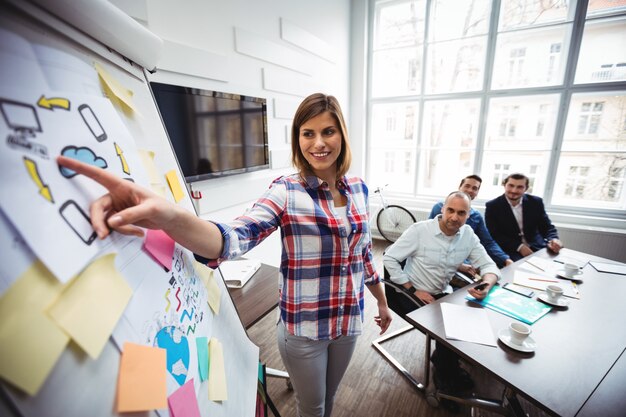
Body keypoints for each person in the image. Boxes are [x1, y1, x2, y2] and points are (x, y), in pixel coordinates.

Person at [57, 93, 392, 417]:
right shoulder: (286, 190)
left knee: (329, 397)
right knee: (312, 408)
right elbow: (234, 236)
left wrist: (381, 301)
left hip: (348, 321)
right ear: (298, 139)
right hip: (305, 330)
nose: (318, 142)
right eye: (308, 133)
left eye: (328, 131)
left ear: (342, 135)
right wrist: (170, 216)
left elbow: (361, 256)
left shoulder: (358, 188)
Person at [383, 191, 500, 411]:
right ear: (443, 209)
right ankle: (446, 383)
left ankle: (446, 363)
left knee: (469, 318)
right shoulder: (420, 231)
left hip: (443, 292)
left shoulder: (468, 235)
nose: (455, 217)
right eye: (451, 210)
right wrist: (411, 288)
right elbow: (389, 257)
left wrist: (487, 284)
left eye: (461, 213)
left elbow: (489, 266)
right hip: (412, 293)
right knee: (448, 328)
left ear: (468, 215)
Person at [429, 174, 514, 270]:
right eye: (467, 186)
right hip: (441, 261)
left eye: (475, 188)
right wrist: (460, 265)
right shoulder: (440, 207)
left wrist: (505, 259)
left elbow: (488, 242)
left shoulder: (476, 216)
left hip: (466, 260)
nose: (470, 190)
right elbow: (430, 239)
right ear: (460, 187)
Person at [485, 173, 562, 262]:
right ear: (504, 185)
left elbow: (547, 226)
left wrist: (553, 239)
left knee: (555, 265)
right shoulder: (492, 206)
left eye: (520, 187)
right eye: (511, 185)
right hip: (511, 250)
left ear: (526, 188)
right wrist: (519, 247)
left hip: (538, 246)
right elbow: (494, 234)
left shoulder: (536, 202)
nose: (514, 190)